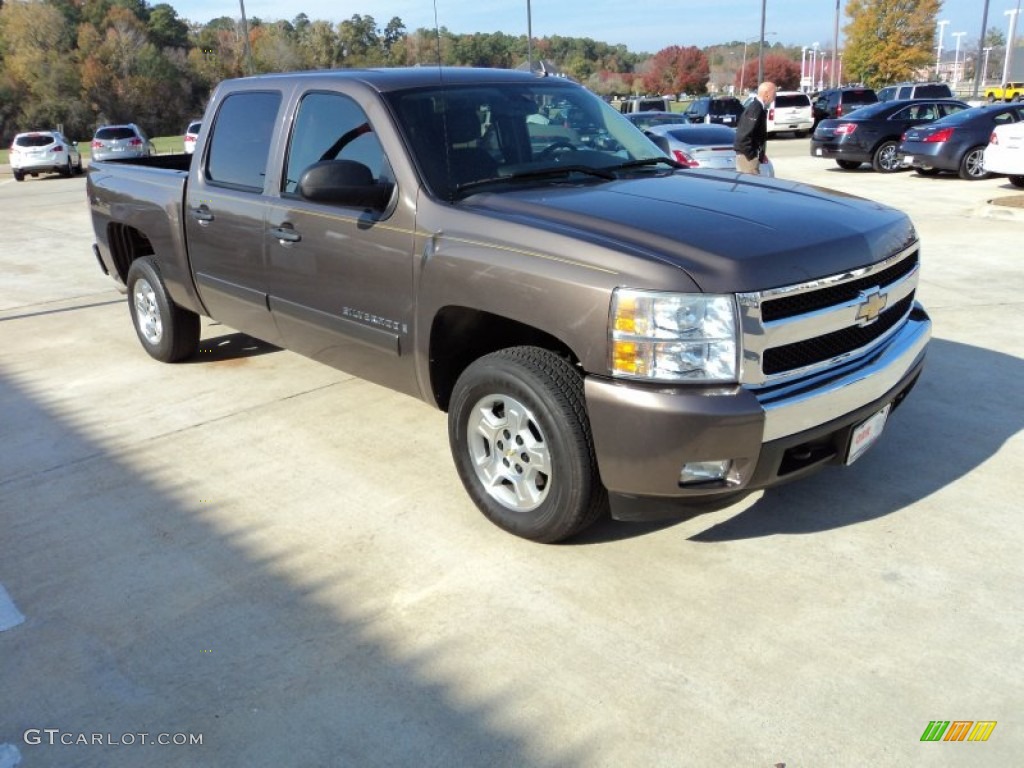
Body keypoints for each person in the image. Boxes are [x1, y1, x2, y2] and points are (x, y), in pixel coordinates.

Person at [734, 81, 776, 175]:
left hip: (748, 157)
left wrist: (761, 154)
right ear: (766, 94)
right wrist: (752, 156)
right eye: (774, 94)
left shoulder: (759, 108)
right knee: (748, 187)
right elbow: (743, 137)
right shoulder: (755, 108)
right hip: (747, 159)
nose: (774, 97)